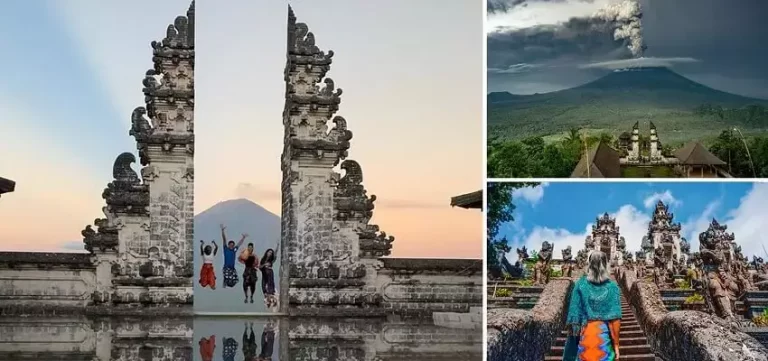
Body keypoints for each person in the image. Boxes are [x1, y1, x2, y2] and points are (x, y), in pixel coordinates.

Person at [563, 251, 622, 361]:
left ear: (589, 265)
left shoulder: (580, 284)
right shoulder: (613, 287)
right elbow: (615, 320)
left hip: (585, 335)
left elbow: (574, 316)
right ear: (606, 265)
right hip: (603, 338)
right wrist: (616, 345)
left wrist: (573, 342)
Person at [220, 224, 248, 288]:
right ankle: (225, 280)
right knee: (227, 277)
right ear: (228, 245)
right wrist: (222, 231)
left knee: (235, 280)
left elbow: (239, 244)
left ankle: (227, 282)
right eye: (230, 245)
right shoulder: (226, 249)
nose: (231, 246)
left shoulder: (234, 250)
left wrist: (243, 238)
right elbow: (224, 239)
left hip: (232, 268)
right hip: (226, 267)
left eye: (233, 245)